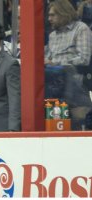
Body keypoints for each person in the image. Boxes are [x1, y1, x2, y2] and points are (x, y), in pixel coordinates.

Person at [46, 0, 92, 130]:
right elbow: (49, 57)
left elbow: (84, 58)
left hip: (75, 84)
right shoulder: (52, 36)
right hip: (54, 85)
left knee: (79, 127)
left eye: (52, 15)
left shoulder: (81, 29)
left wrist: (56, 63)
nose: (49, 19)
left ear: (64, 13)